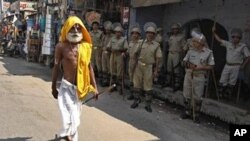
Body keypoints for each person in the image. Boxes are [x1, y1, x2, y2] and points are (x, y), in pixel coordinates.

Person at [51, 16, 98, 141]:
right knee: (68, 117)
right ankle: (67, 135)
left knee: (76, 118)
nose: (76, 30)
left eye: (79, 27)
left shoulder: (86, 47)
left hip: (80, 88)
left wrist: (95, 87)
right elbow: (56, 67)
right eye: (73, 27)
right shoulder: (61, 47)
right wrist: (53, 87)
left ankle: (70, 137)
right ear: (67, 28)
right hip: (66, 87)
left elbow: (89, 67)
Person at [180, 33, 215, 123]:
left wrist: (201, 67)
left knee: (198, 97)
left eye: (195, 41)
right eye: (193, 41)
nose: (193, 43)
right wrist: (189, 65)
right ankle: (187, 112)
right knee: (187, 94)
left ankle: (196, 114)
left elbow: (211, 66)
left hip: (200, 76)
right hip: (189, 74)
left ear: (201, 42)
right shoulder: (190, 51)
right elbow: (183, 62)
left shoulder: (208, 52)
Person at [130, 22, 162, 112]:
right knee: (137, 84)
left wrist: (156, 71)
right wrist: (134, 65)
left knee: (148, 86)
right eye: (148, 33)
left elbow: (158, 58)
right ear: (146, 33)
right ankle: (136, 101)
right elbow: (135, 54)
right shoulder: (141, 42)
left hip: (149, 67)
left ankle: (148, 104)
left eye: (152, 33)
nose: (150, 35)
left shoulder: (156, 45)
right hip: (139, 65)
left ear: (154, 35)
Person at [213, 26, 250, 98]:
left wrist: (243, 65)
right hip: (227, 65)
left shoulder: (243, 46)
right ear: (232, 37)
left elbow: (248, 56)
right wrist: (214, 32)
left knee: (231, 82)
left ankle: (227, 96)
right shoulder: (228, 44)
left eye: (237, 37)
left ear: (240, 38)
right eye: (234, 37)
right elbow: (219, 40)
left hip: (236, 66)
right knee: (222, 80)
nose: (235, 38)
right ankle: (219, 95)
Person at [162, 23, 186, 92]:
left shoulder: (181, 37)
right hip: (170, 53)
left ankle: (177, 84)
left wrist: (182, 56)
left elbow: (184, 47)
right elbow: (168, 45)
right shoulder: (171, 37)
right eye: (173, 29)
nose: (174, 30)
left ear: (178, 29)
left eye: (176, 29)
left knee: (176, 70)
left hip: (177, 53)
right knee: (169, 69)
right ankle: (167, 82)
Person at [107, 23, 129, 95]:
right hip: (113, 55)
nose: (117, 33)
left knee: (119, 72)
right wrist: (109, 50)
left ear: (121, 33)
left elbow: (126, 48)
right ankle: (113, 86)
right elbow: (108, 47)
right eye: (116, 32)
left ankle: (120, 87)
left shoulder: (123, 40)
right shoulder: (112, 39)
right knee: (112, 71)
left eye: (119, 32)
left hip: (119, 55)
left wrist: (123, 52)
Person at [127, 24, 142, 100]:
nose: (135, 35)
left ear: (139, 35)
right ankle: (131, 93)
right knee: (131, 78)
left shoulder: (141, 43)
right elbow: (128, 52)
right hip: (131, 61)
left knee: (137, 80)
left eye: (136, 34)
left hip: (138, 63)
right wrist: (124, 53)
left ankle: (137, 97)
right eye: (133, 33)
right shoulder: (131, 43)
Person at [101, 21, 113, 86]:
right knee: (104, 67)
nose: (107, 31)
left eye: (108, 30)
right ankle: (105, 80)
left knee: (109, 68)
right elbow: (102, 44)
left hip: (110, 53)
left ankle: (110, 82)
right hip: (103, 53)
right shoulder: (104, 36)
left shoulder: (113, 37)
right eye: (106, 30)